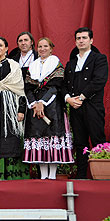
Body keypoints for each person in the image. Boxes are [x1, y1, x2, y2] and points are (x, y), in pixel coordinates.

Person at [24, 37, 74, 179]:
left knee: (52, 137)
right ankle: (43, 175)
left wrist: (42, 103)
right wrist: (34, 103)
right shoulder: (32, 66)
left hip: (52, 105)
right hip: (34, 106)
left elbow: (55, 86)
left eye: (45, 46)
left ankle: (52, 175)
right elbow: (28, 88)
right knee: (38, 138)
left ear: (51, 48)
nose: (42, 49)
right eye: (40, 46)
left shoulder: (56, 65)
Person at [62, 27, 108, 179]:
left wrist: (81, 97)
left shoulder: (99, 58)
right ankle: (81, 177)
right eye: (78, 38)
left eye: (84, 38)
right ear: (75, 41)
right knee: (80, 143)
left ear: (91, 40)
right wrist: (69, 99)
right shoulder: (71, 63)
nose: (81, 41)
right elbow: (64, 85)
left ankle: (102, 176)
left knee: (97, 139)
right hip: (75, 107)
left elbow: (99, 81)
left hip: (92, 106)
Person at [0, 37, 29, 180]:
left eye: (1, 45)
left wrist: (21, 110)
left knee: (12, 140)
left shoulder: (14, 66)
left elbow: (21, 91)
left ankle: (14, 175)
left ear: (7, 48)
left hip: (11, 109)